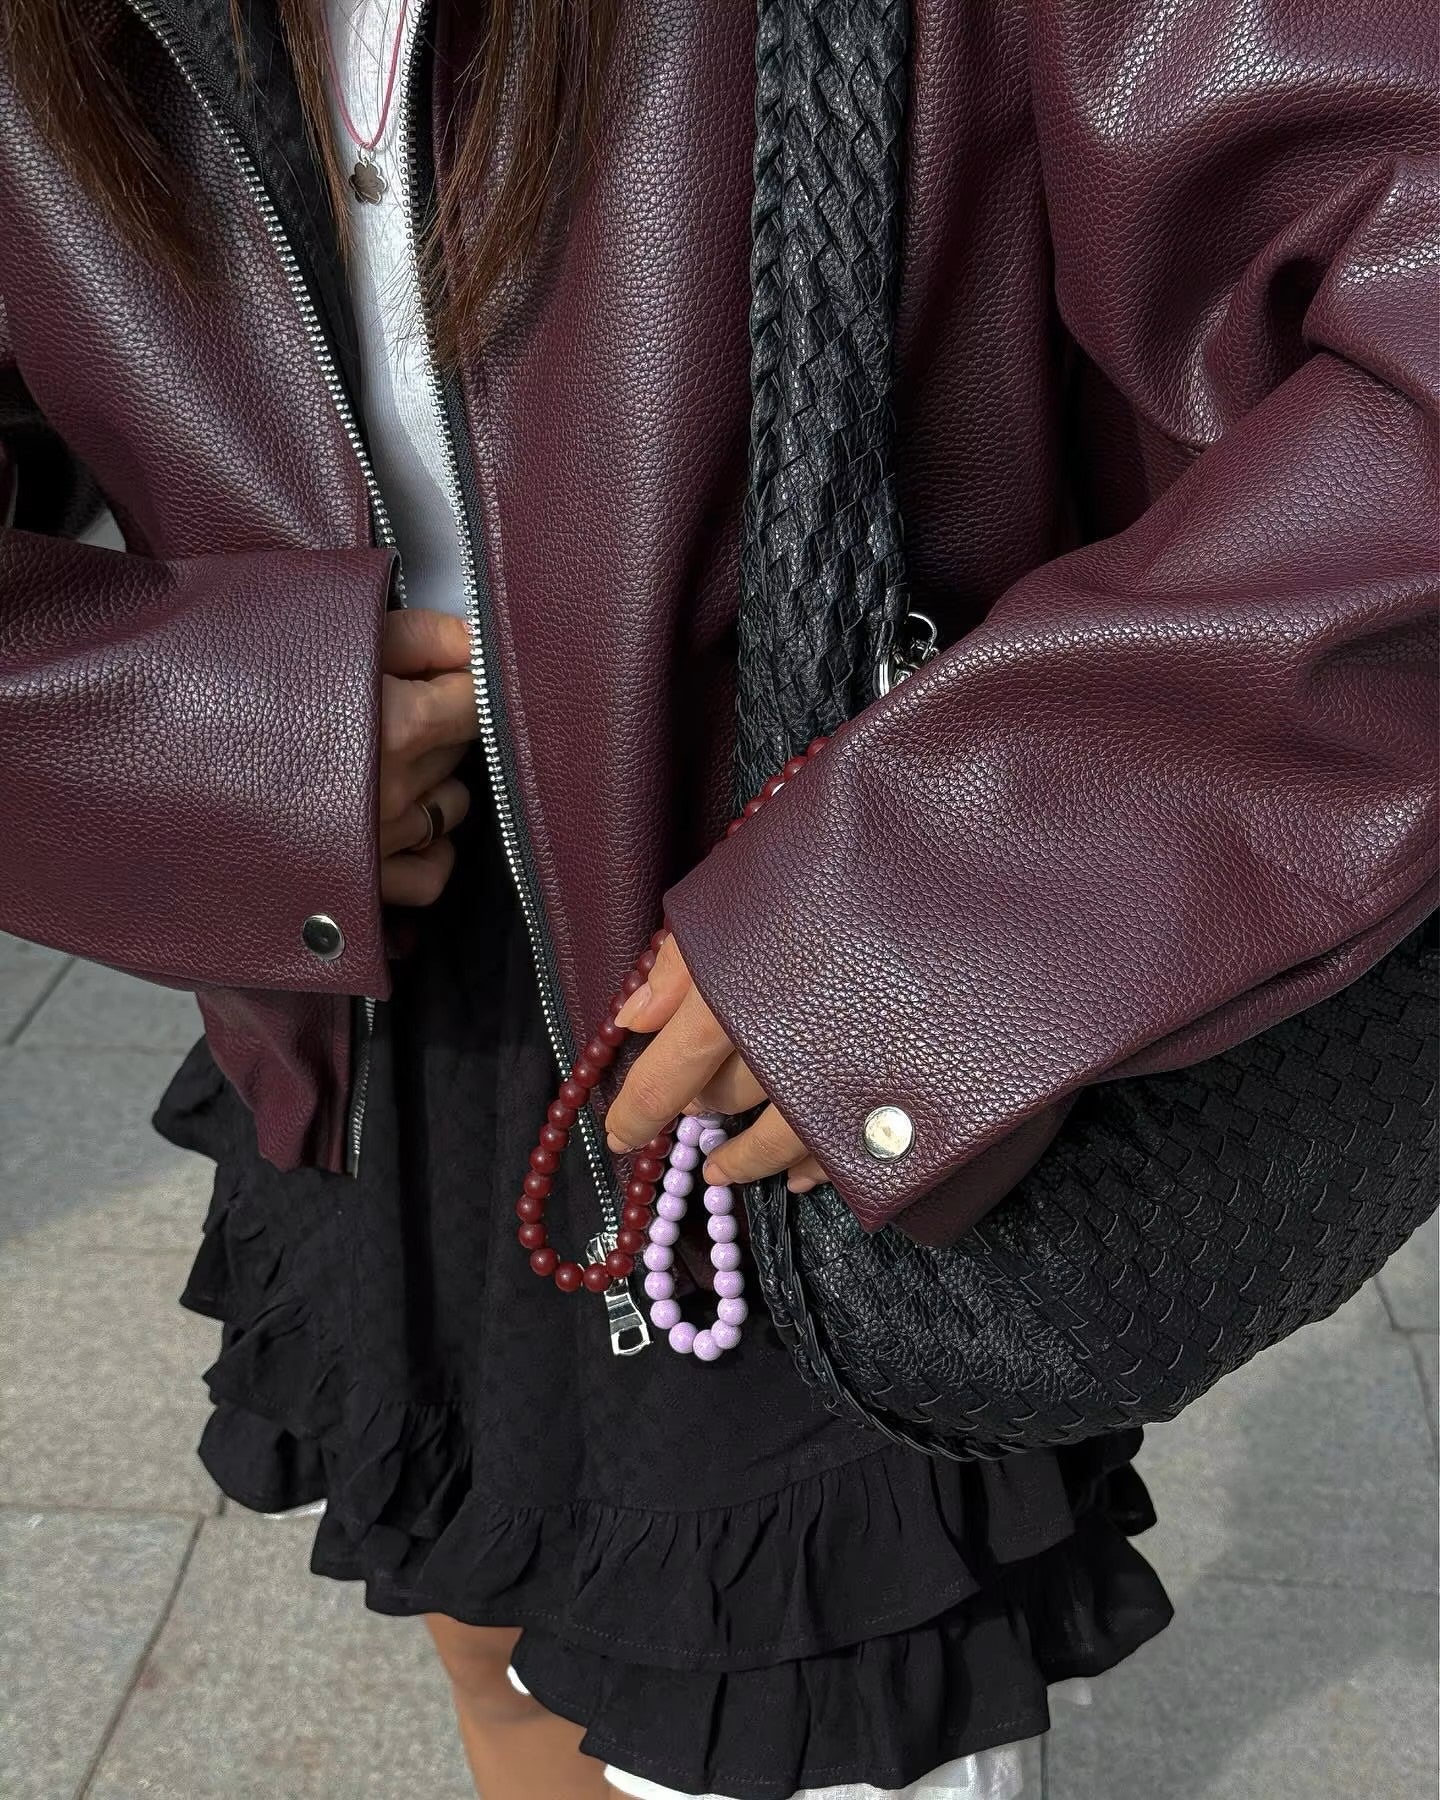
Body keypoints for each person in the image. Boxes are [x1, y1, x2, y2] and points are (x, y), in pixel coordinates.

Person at [2, 2, 1434, 1796]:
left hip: (796, 1041)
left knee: (767, 1737)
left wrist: (949, 901)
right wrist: (197, 742)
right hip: (370, 1014)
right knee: (504, 1672)